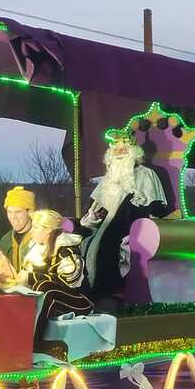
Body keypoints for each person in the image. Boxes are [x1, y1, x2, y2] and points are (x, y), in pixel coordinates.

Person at [76, 130, 171, 303]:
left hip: (132, 228)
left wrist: (134, 205)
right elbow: (94, 209)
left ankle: (109, 294)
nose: (119, 153)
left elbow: (154, 208)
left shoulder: (146, 175)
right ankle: (88, 295)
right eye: (116, 150)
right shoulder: (108, 180)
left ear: (133, 152)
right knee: (82, 242)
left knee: (108, 245)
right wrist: (94, 215)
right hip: (103, 228)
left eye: (123, 150)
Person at [0, 186, 37, 269]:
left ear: (30, 212)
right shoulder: (5, 240)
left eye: (18, 212)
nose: (13, 217)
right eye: (9, 212)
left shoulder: (41, 239)